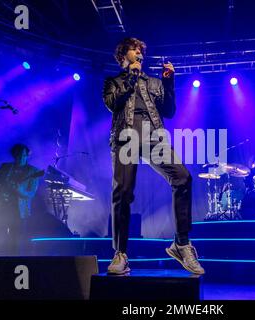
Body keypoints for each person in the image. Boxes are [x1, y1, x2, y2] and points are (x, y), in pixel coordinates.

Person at [102, 37, 204, 275]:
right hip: (125, 137)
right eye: (133, 49)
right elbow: (112, 104)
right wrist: (131, 77)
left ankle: (181, 244)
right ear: (122, 55)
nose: (139, 52)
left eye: (141, 50)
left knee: (182, 177)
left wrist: (169, 84)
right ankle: (120, 254)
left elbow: (168, 111)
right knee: (123, 192)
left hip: (153, 136)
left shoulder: (154, 82)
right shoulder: (113, 81)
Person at [0, 144, 41, 268]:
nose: (21, 158)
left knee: (15, 241)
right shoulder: (5, 167)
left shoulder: (34, 172)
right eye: (18, 155)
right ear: (14, 155)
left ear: (27, 156)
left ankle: (12, 269)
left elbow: (30, 194)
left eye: (23, 155)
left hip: (18, 211)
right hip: (0, 207)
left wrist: (18, 190)